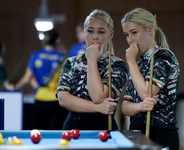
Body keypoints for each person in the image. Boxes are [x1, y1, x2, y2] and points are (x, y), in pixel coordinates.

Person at [56, 9, 128, 130]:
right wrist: (98, 107)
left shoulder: (119, 65)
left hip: (104, 127)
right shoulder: (71, 62)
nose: (95, 37)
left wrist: (92, 60)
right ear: (84, 33)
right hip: (72, 127)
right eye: (90, 31)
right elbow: (63, 99)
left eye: (101, 32)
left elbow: (98, 97)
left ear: (110, 34)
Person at [121, 8, 180, 150]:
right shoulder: (138, 64)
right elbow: (125, 106)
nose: (130, 40)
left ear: (150, 29)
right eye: (126, 35)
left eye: (134, 32)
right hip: (136, 133)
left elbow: (146, 93)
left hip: (161, 133)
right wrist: (140, 107)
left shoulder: (164, 56)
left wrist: (131, 62)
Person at [8, 28, 68, 130]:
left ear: (44, 40)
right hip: (57, 100)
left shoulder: (35, 55)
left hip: (40, 99)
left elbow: (27, 79)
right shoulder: (63, 57)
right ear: (57, 40)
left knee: (39, 133)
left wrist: (14, 87)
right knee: (55, 134)